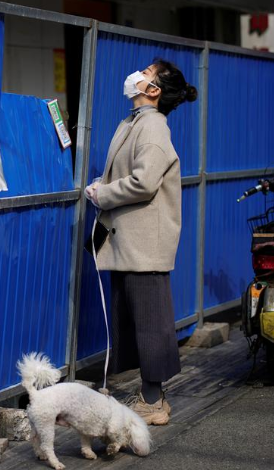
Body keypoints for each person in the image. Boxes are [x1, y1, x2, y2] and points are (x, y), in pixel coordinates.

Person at [84, 59, 197, 425]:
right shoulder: (137, 123)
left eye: (146, 73)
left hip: (144, 243)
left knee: (150, 320)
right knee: (135, 319)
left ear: (154, 91)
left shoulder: (151, 128)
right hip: (130, 240)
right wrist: (102, 185)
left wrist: (103, 194)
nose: (136, 74)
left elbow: (144, 182)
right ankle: (150, 395)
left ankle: (153, 400)